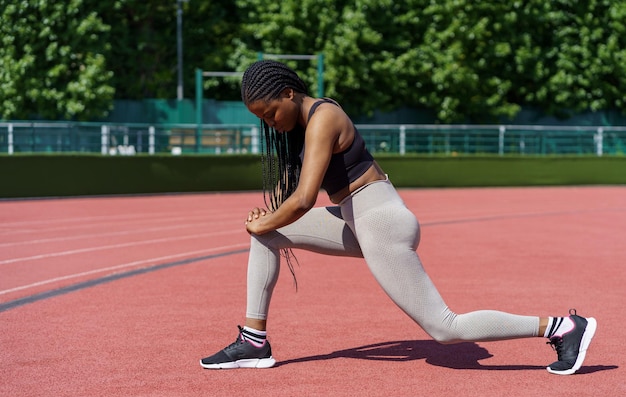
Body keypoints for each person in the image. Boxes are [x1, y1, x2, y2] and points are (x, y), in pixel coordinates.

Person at [200, 60, 597, 375]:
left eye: (270, 113)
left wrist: (264, 219)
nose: (269, 123)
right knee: (268, 235)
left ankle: (562, 327)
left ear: (289, 93)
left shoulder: (323, 117)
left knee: (445, 329)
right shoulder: (302, 125)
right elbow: (293, 200)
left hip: (380, 220)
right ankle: (254, 341)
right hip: (356, 218)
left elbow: (304, 199)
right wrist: (266, 221)